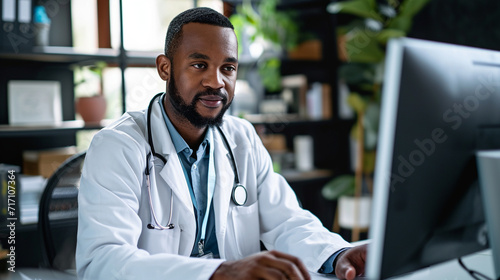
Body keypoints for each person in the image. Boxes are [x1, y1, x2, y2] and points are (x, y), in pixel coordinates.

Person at [76, 7, 367, 280]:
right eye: (199, 65)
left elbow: (287, 221)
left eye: (228, 68)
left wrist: (338, 253)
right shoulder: (117, 146)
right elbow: (103, 260)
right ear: (165, 68)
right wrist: (219, 273)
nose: (216, 82)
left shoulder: (241, 138)